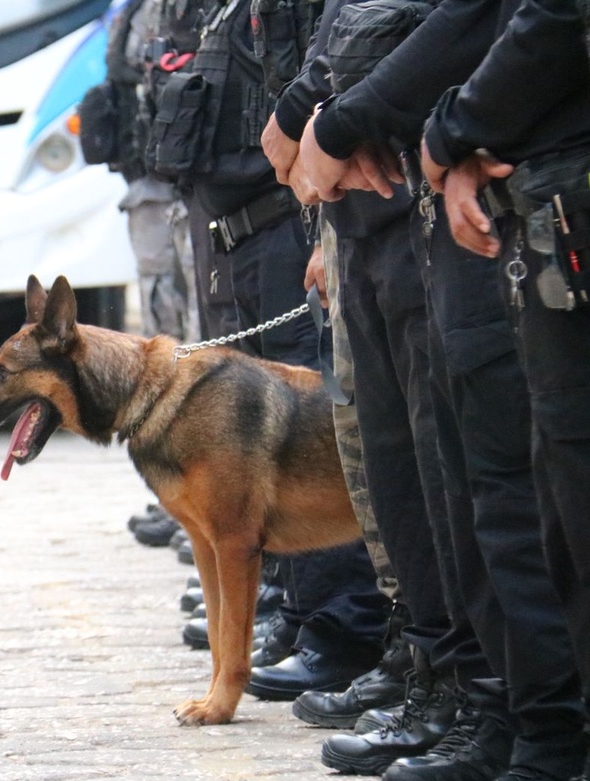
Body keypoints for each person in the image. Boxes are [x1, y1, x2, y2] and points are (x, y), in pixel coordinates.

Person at [291, 0, 588, 781]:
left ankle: (549, 737)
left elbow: (502, 22)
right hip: (452, 194)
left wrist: (448, 131)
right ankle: (505, 715)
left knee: (522, 498)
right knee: (461, 489)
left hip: (510, 193)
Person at [145, 0, 390, 698]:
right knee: (253, 467)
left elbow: (324, 92)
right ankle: (294, 611)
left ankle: (341, 629)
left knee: (308, 441)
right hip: (239, 235)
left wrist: (324, 234)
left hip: (288, 225)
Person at [418, 1, 590, 781]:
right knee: (551, 503)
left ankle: (560, 742)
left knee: (569, 499)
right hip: (534, 190)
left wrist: (451, 133)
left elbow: (543, 23)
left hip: (562, 194)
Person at [100, 0, 201, 550]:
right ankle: (177, 493)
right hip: (150, 182)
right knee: (168, 337)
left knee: (189, 343)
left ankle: (193, 494)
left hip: (179, 189)